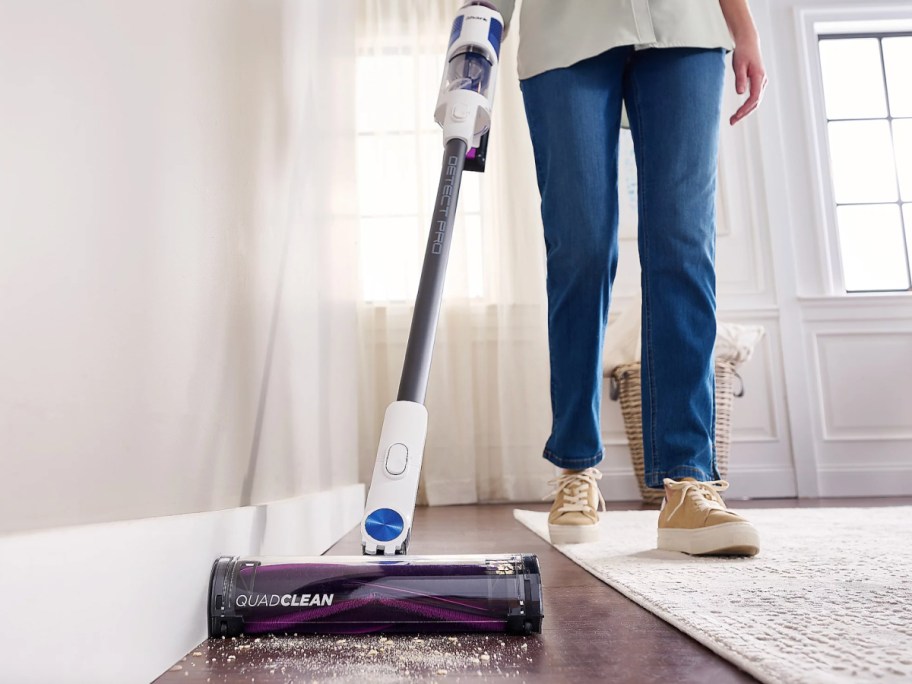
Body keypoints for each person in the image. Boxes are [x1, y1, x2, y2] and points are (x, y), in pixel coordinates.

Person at [491, 0, 769, 555]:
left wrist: (744, 27)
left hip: (684, 25)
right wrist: (475, 38)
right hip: (563, 31)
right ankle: (575, 467)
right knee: (579, 248)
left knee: (684, 244)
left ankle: (688, 482)